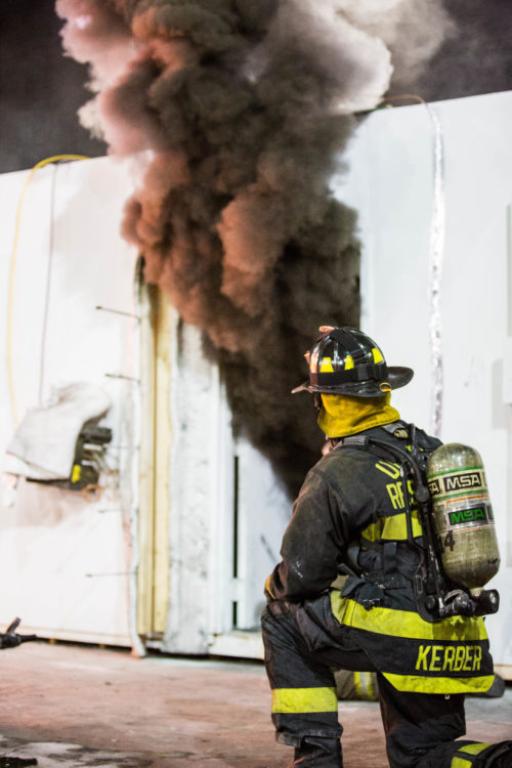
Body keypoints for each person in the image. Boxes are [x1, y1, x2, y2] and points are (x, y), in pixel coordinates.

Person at [261, 326, 512, 768]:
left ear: (325, 401)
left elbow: (303, 575)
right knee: (422, 758)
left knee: (282, 617)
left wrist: (275, 584)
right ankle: (496, 761)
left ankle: (316, 759)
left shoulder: (337, 471)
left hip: (398, 637)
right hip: (457, 635)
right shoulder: (430, 451)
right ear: (381, 393)